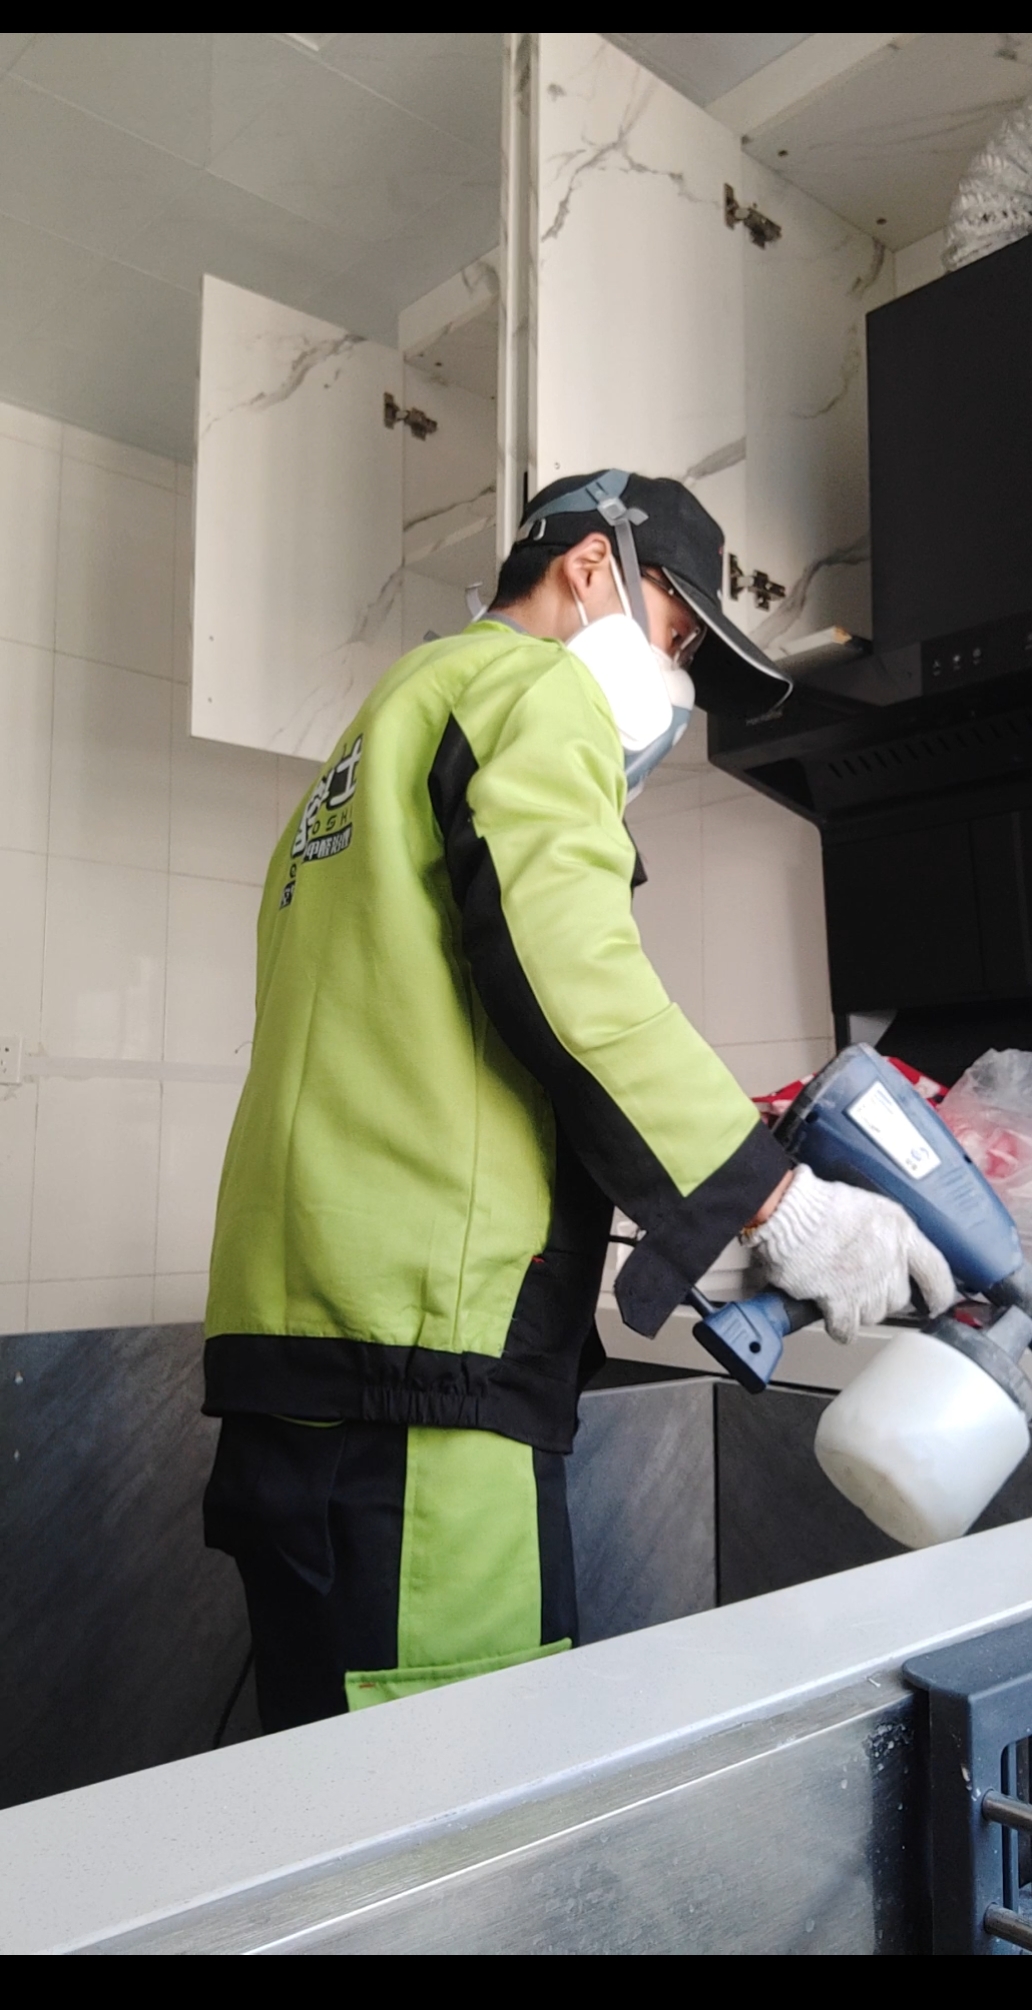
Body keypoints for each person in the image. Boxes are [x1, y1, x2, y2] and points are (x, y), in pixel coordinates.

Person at [202, 470, 954, 1729]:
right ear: (592, 565)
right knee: (456, 1798)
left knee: (325, 1791)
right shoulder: (534, 688)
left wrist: (684, 1203)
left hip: (299, 1358)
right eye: (677, 638)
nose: (676, 687)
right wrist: (779, 1203)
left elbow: (434, 1035)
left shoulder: (386, 724)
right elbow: (572, 978)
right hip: (425, 1380)